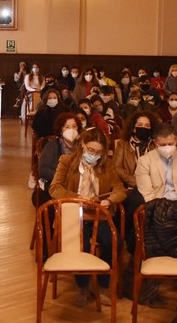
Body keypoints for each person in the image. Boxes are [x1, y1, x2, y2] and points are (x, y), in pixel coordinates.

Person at [49, 126, 126, 307]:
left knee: (114, 242)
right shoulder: (67, 161)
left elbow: (120, 189)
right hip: (74, 215)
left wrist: (110, 201)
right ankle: (82, 286)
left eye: (98, 152)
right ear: (82, 145)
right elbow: (55, 188)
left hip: (99, 215)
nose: (94, 154)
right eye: (91, 150)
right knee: (80, 245)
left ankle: (102, 284)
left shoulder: (106, 165)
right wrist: (76, 198)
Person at [112, 111, 158, 256]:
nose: (143, 128)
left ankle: (144, 244)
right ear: (133, 128)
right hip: (130, 187)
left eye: (147, 126)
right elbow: (117, 168)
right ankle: (134, 245)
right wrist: (137, 182)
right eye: (140, 125)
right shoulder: (123, 145)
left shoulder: (155, 146)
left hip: (152, 186)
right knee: (137, 202)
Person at [136, 124, 177, 206]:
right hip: (157, 206)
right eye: (162, 145)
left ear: (176, 140)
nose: (167, 148)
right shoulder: (144, 161)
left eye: (170, 144)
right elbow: (147, 193)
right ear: (155, 143)